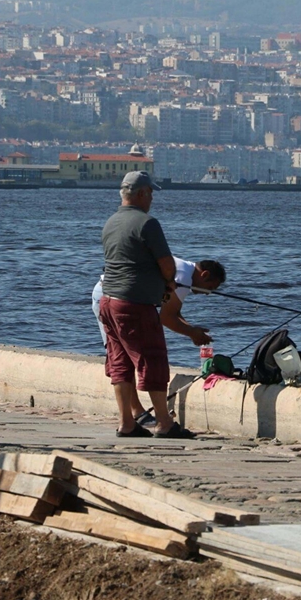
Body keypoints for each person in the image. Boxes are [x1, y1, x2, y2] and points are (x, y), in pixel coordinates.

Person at [99, 171, 192, 439]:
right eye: (150, 192)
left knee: (120, 364)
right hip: (134, 305)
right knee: (152, 359)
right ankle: (164, 423)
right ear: (140, 193)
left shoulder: (111, 222)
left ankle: (126, 423)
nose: (152, 197)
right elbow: (166, 264)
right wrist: (169, 283)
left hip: (108, 302)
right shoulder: (148, 223)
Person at [92, 257, 226, 425]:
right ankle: (140, 414)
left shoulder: (184, 270)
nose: (208, 293)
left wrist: (192, 329)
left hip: (108, 294)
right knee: (127, 358)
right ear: (204, 275)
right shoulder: (184, 276)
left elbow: (174, 312)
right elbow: (166, 318)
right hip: (113, 297)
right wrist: (192, 333)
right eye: (210, 287)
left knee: (123, 357)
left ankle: (134, 415)